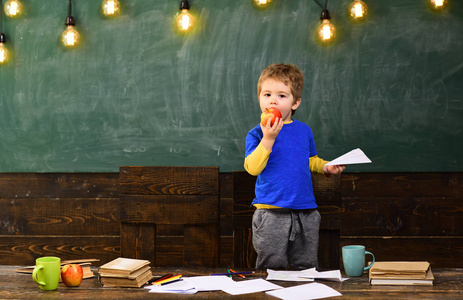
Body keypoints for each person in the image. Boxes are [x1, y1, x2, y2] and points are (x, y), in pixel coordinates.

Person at [244, 63, 345, 270]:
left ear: (295, 103)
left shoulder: (303, 131)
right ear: (259, 99)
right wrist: (268, 139)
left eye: (282, 96)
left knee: (306, 267)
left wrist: (326, 167)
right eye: (267, 94)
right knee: (271, 267)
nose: (273, 100)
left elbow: (309, 160)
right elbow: (252, 168)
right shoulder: (256, 134)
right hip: (271, 213)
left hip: (305, 211)